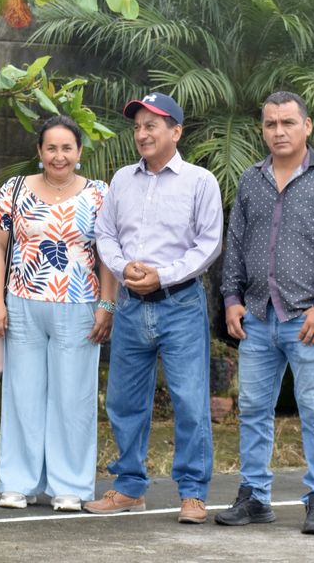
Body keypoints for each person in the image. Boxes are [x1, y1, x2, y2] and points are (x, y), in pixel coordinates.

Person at [215, 91, 314, 535]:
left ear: (307, 126)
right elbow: (235, 243)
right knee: (253, 409)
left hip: (308, 319)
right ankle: (255, 496)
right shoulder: (250, 180)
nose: (279, 131)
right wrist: (231, 299)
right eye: (270, 124)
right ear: (263, 129)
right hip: (258, 317)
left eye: (288, 123)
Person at [88, 92, 223, 523]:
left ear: (176, 132)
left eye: (152, 126)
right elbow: (105, 233)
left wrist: (161, 275)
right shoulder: (122, 180)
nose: (142, 134)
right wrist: (123, 266)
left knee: (190, 402)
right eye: (137, 127)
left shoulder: (200, 181)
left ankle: (193, 493)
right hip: (131, 305)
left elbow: (209, 244)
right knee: (124, 400)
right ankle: (130, 487)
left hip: (179, 304)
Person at [0, 115, 115, 511]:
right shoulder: (15, 189)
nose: (59, 156)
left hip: (79, 305)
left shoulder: (99, 195)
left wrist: (107, 305)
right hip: (22, 303)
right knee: (22, 394)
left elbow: (108, 254)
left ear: (79, 151)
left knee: (73, 398)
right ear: (39, 152)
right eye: (51, 148)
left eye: (67, 148)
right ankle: (18, 483)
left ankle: (69, 485)